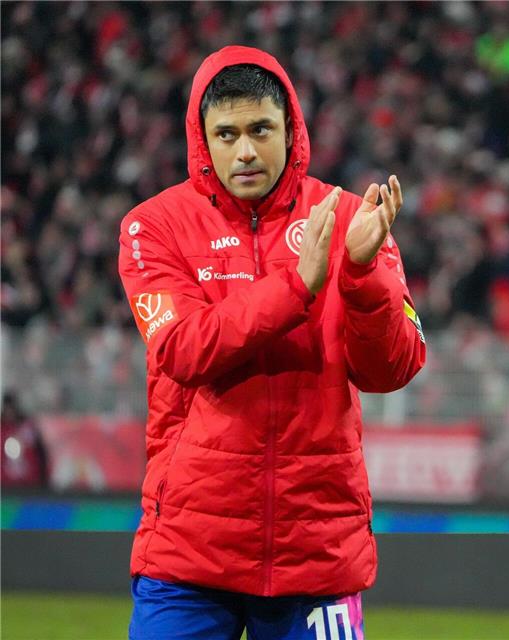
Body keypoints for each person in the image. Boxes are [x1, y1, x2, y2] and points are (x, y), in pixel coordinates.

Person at [117, 46, 426, 640]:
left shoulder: (349, 217)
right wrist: (297, 287)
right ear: (202, 140)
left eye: (261, 130)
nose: (245, 151)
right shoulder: (153, 226)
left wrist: (362, 276)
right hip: (189, 551)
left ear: (291, 130)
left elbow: (395, 368)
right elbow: (182, 349)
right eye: (226, 134)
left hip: (318, 548)